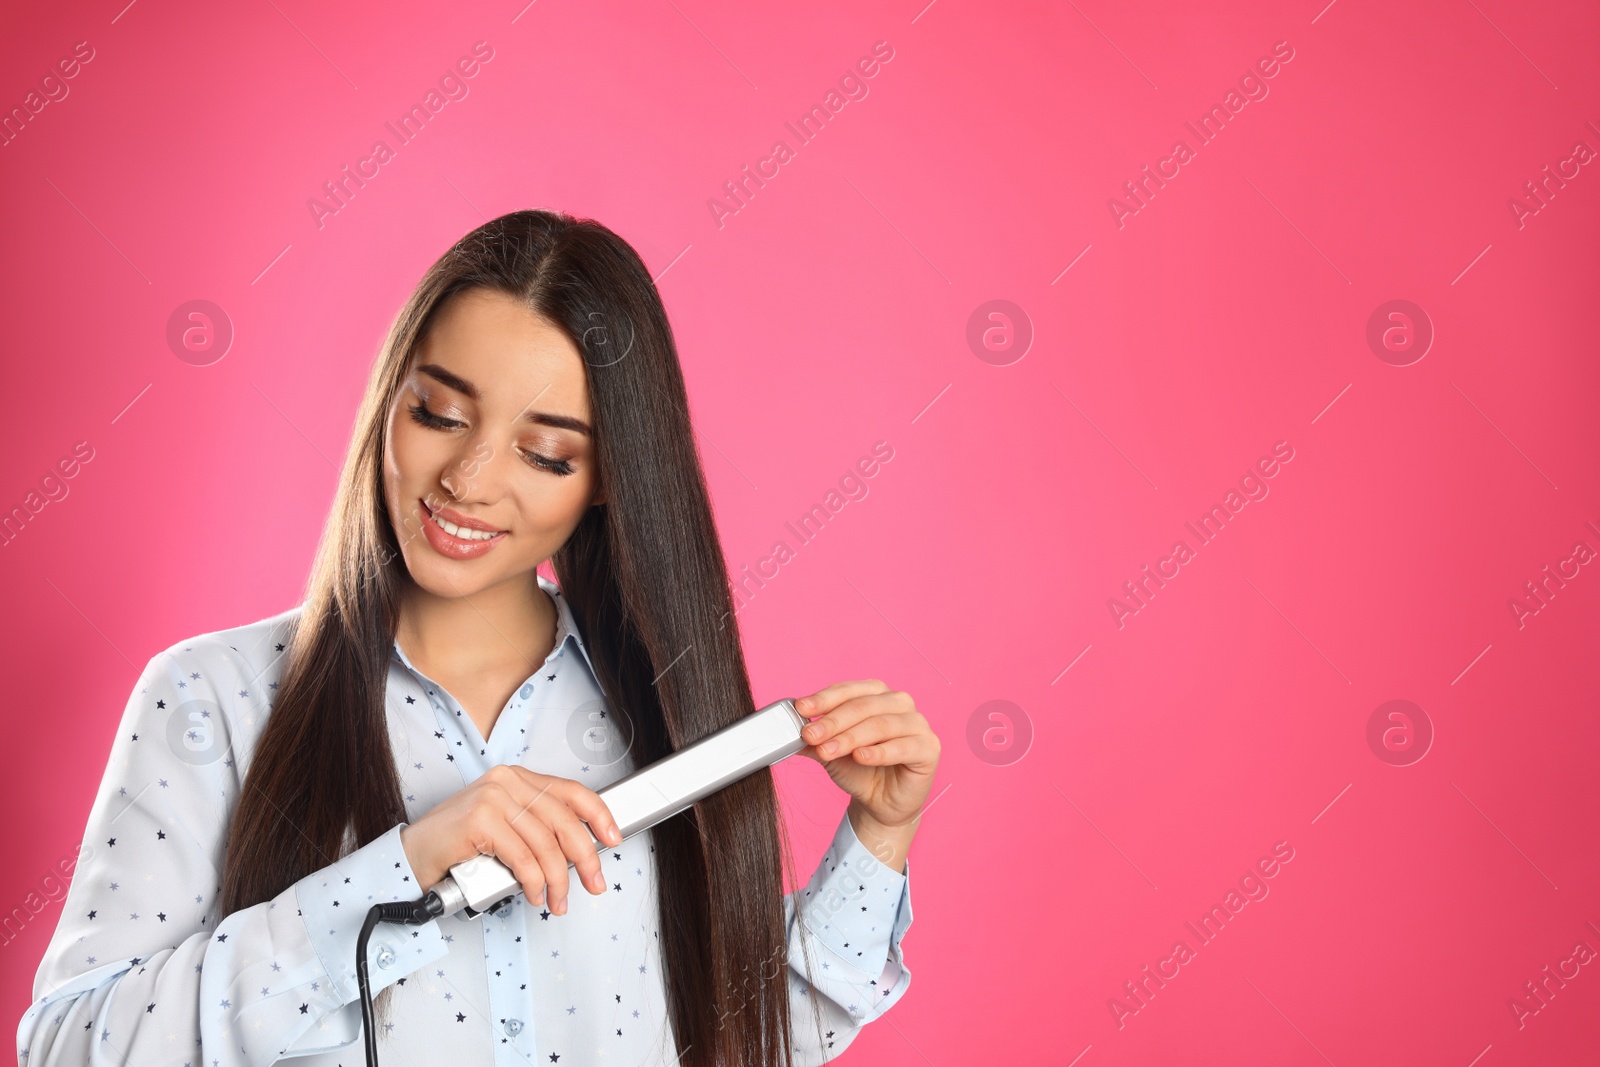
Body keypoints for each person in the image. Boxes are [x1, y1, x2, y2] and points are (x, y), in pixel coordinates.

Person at [16, 210, 941, 1067]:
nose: (468, 478)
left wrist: (878, 836)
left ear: (609, 477)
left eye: (546, 454)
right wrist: (403, 865)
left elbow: (743, 1037)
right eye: (440, 414)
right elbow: (68, 1045)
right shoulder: (212, 697)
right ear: (389, 401)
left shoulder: (664, 717)